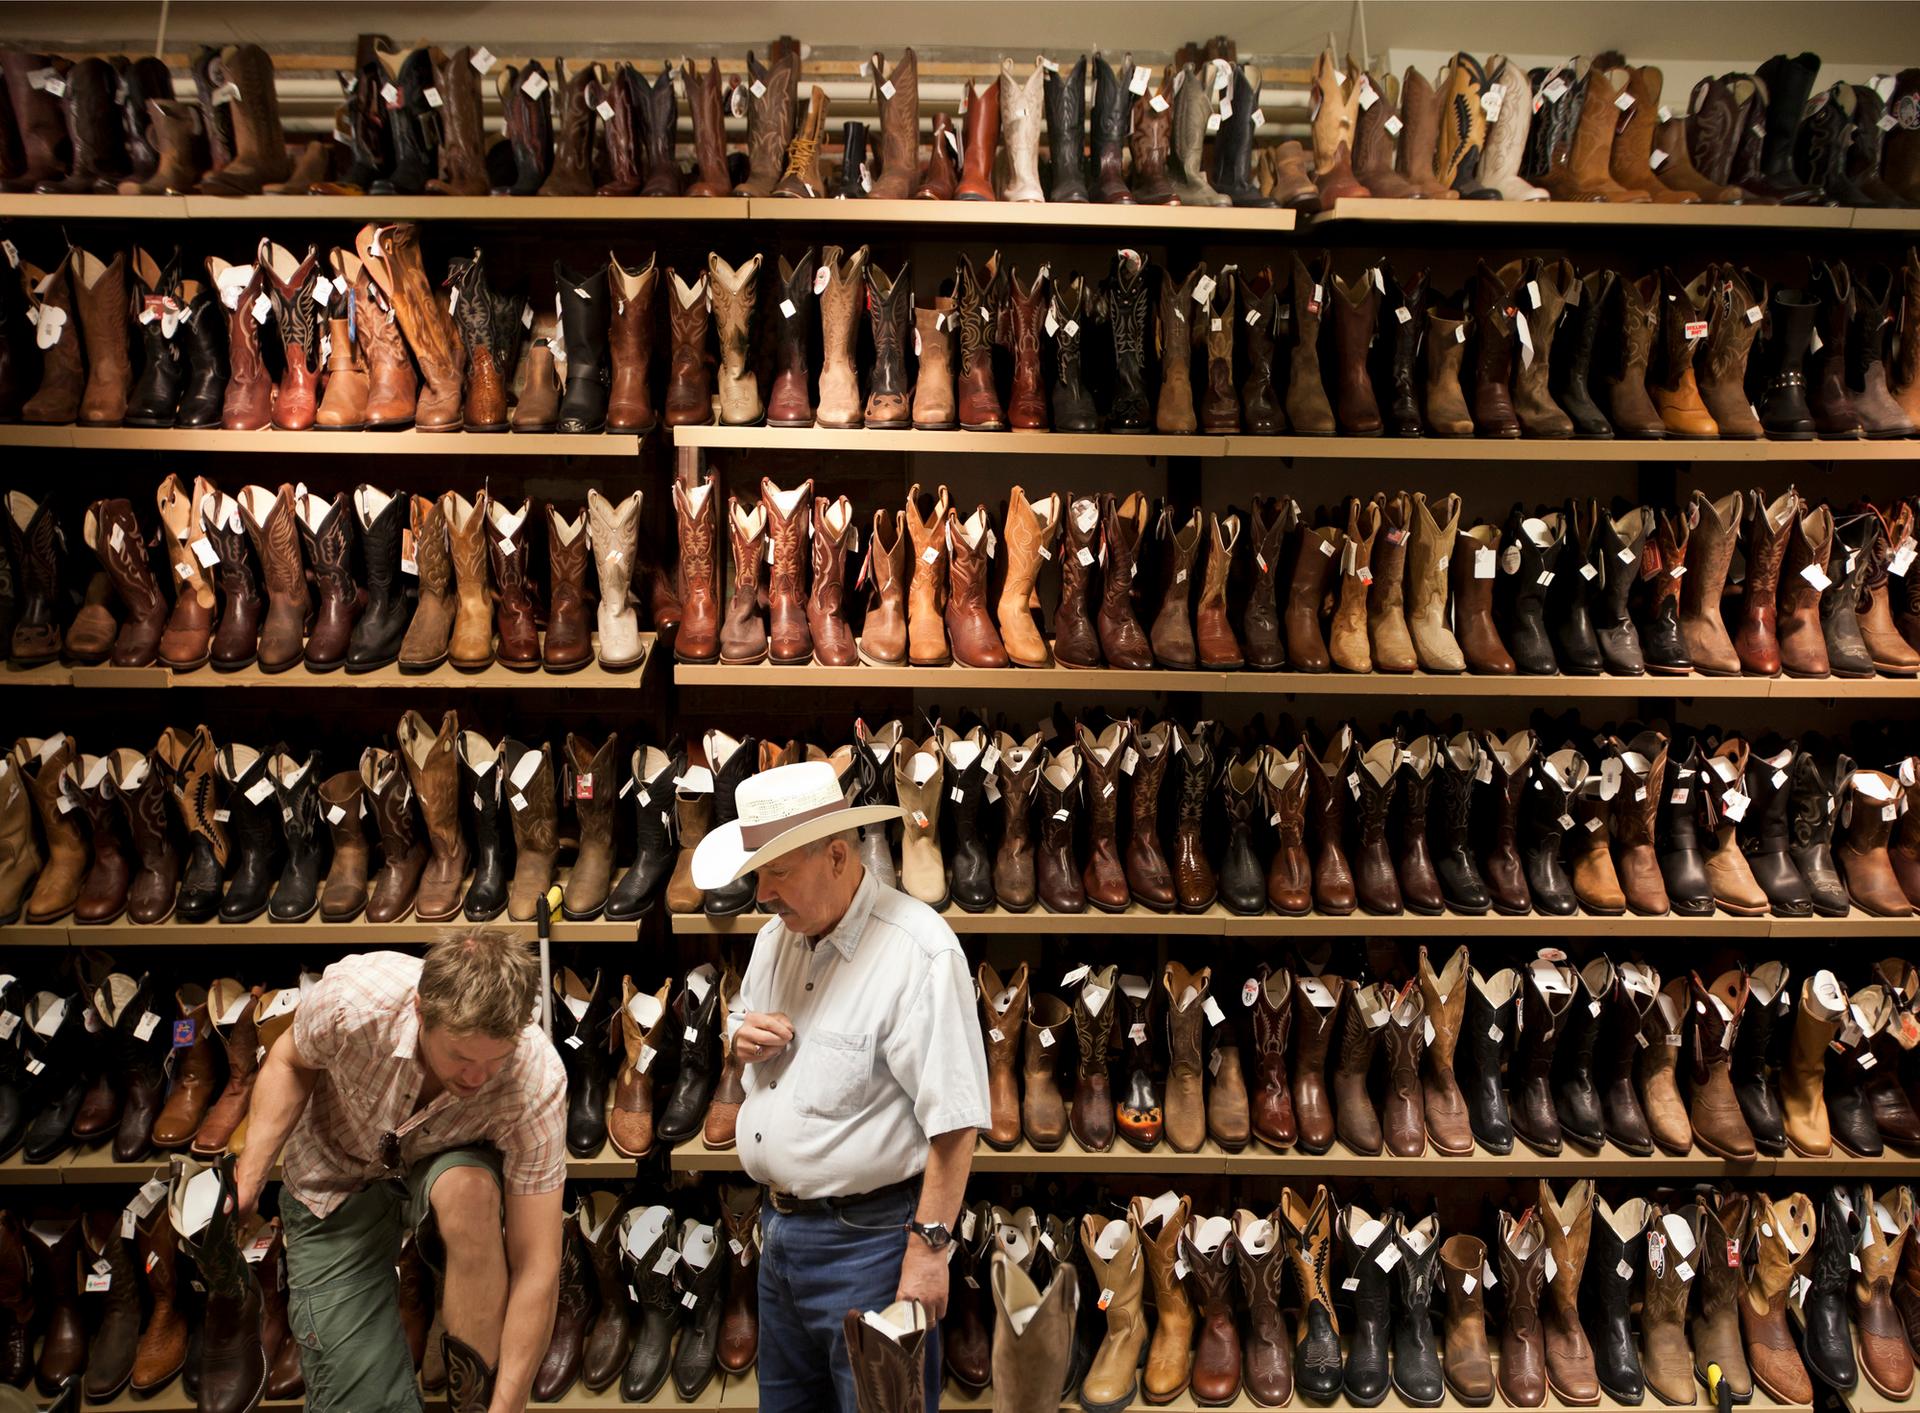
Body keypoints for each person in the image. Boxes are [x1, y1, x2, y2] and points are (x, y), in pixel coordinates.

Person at [691, 758, 991, 1412]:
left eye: (777, 871)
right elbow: (745, 1008)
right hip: (779, 1238)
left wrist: (930, 1250)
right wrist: (738, 1032)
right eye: (756, 873)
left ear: (835, 854)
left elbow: (956, 1119)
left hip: (871, 1245)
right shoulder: (778, 937)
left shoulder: (918, 952)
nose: (763, 893)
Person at [232, 931, 568, 1413]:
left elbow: (538, 1263)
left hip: (448, 1172)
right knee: (360, 1402)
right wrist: (249, 1181)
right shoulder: (354, 1000)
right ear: (420, 1010)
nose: (477, 1077)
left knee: (471, 1195)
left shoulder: (536, 1080)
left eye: (496, 1059)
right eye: (461, 1056)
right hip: (333, 1179)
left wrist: (506, 1407)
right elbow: (289, 1061)